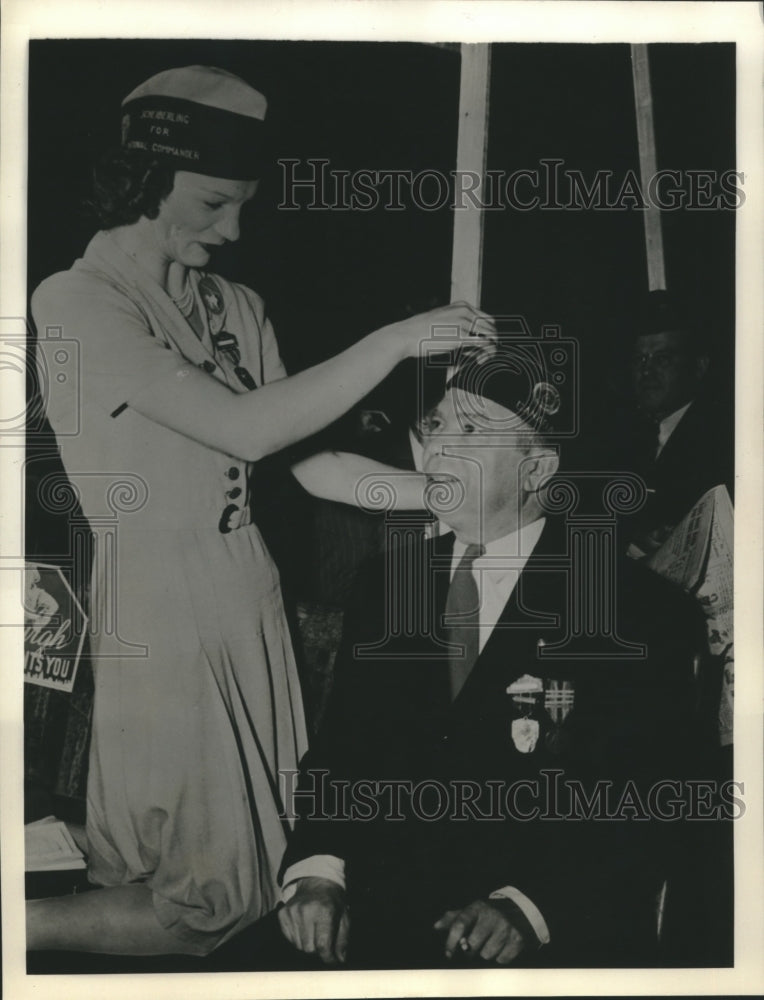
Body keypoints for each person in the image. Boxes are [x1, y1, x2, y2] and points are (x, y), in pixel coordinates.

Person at [26, 65, 496, 957]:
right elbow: (243, 425)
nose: (233, 228)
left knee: (257, 858)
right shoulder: (78, 302)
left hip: (251, 593)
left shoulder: (235, 303)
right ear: (144, 181)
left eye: (243, 204)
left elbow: (304, 460)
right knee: (214, 900)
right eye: (211, 203)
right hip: (160, 602)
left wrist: (446, 496)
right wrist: (396, 339)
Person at [275, 348, 704, 969]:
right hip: (376, 911)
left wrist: (531, 906)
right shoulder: (386, 586)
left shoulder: (634, 611)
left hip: (539, 929)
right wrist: (318, 872)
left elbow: (650, 796)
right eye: (437, 425)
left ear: (538, 469)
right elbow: (344, 752)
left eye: (472, 430)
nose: (440, 448)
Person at [619, 290, 733, 555]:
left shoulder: (723, 440)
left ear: (699, 367)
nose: (647, 371)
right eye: (640, 360)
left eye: (663, 359)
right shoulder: (626, 437)